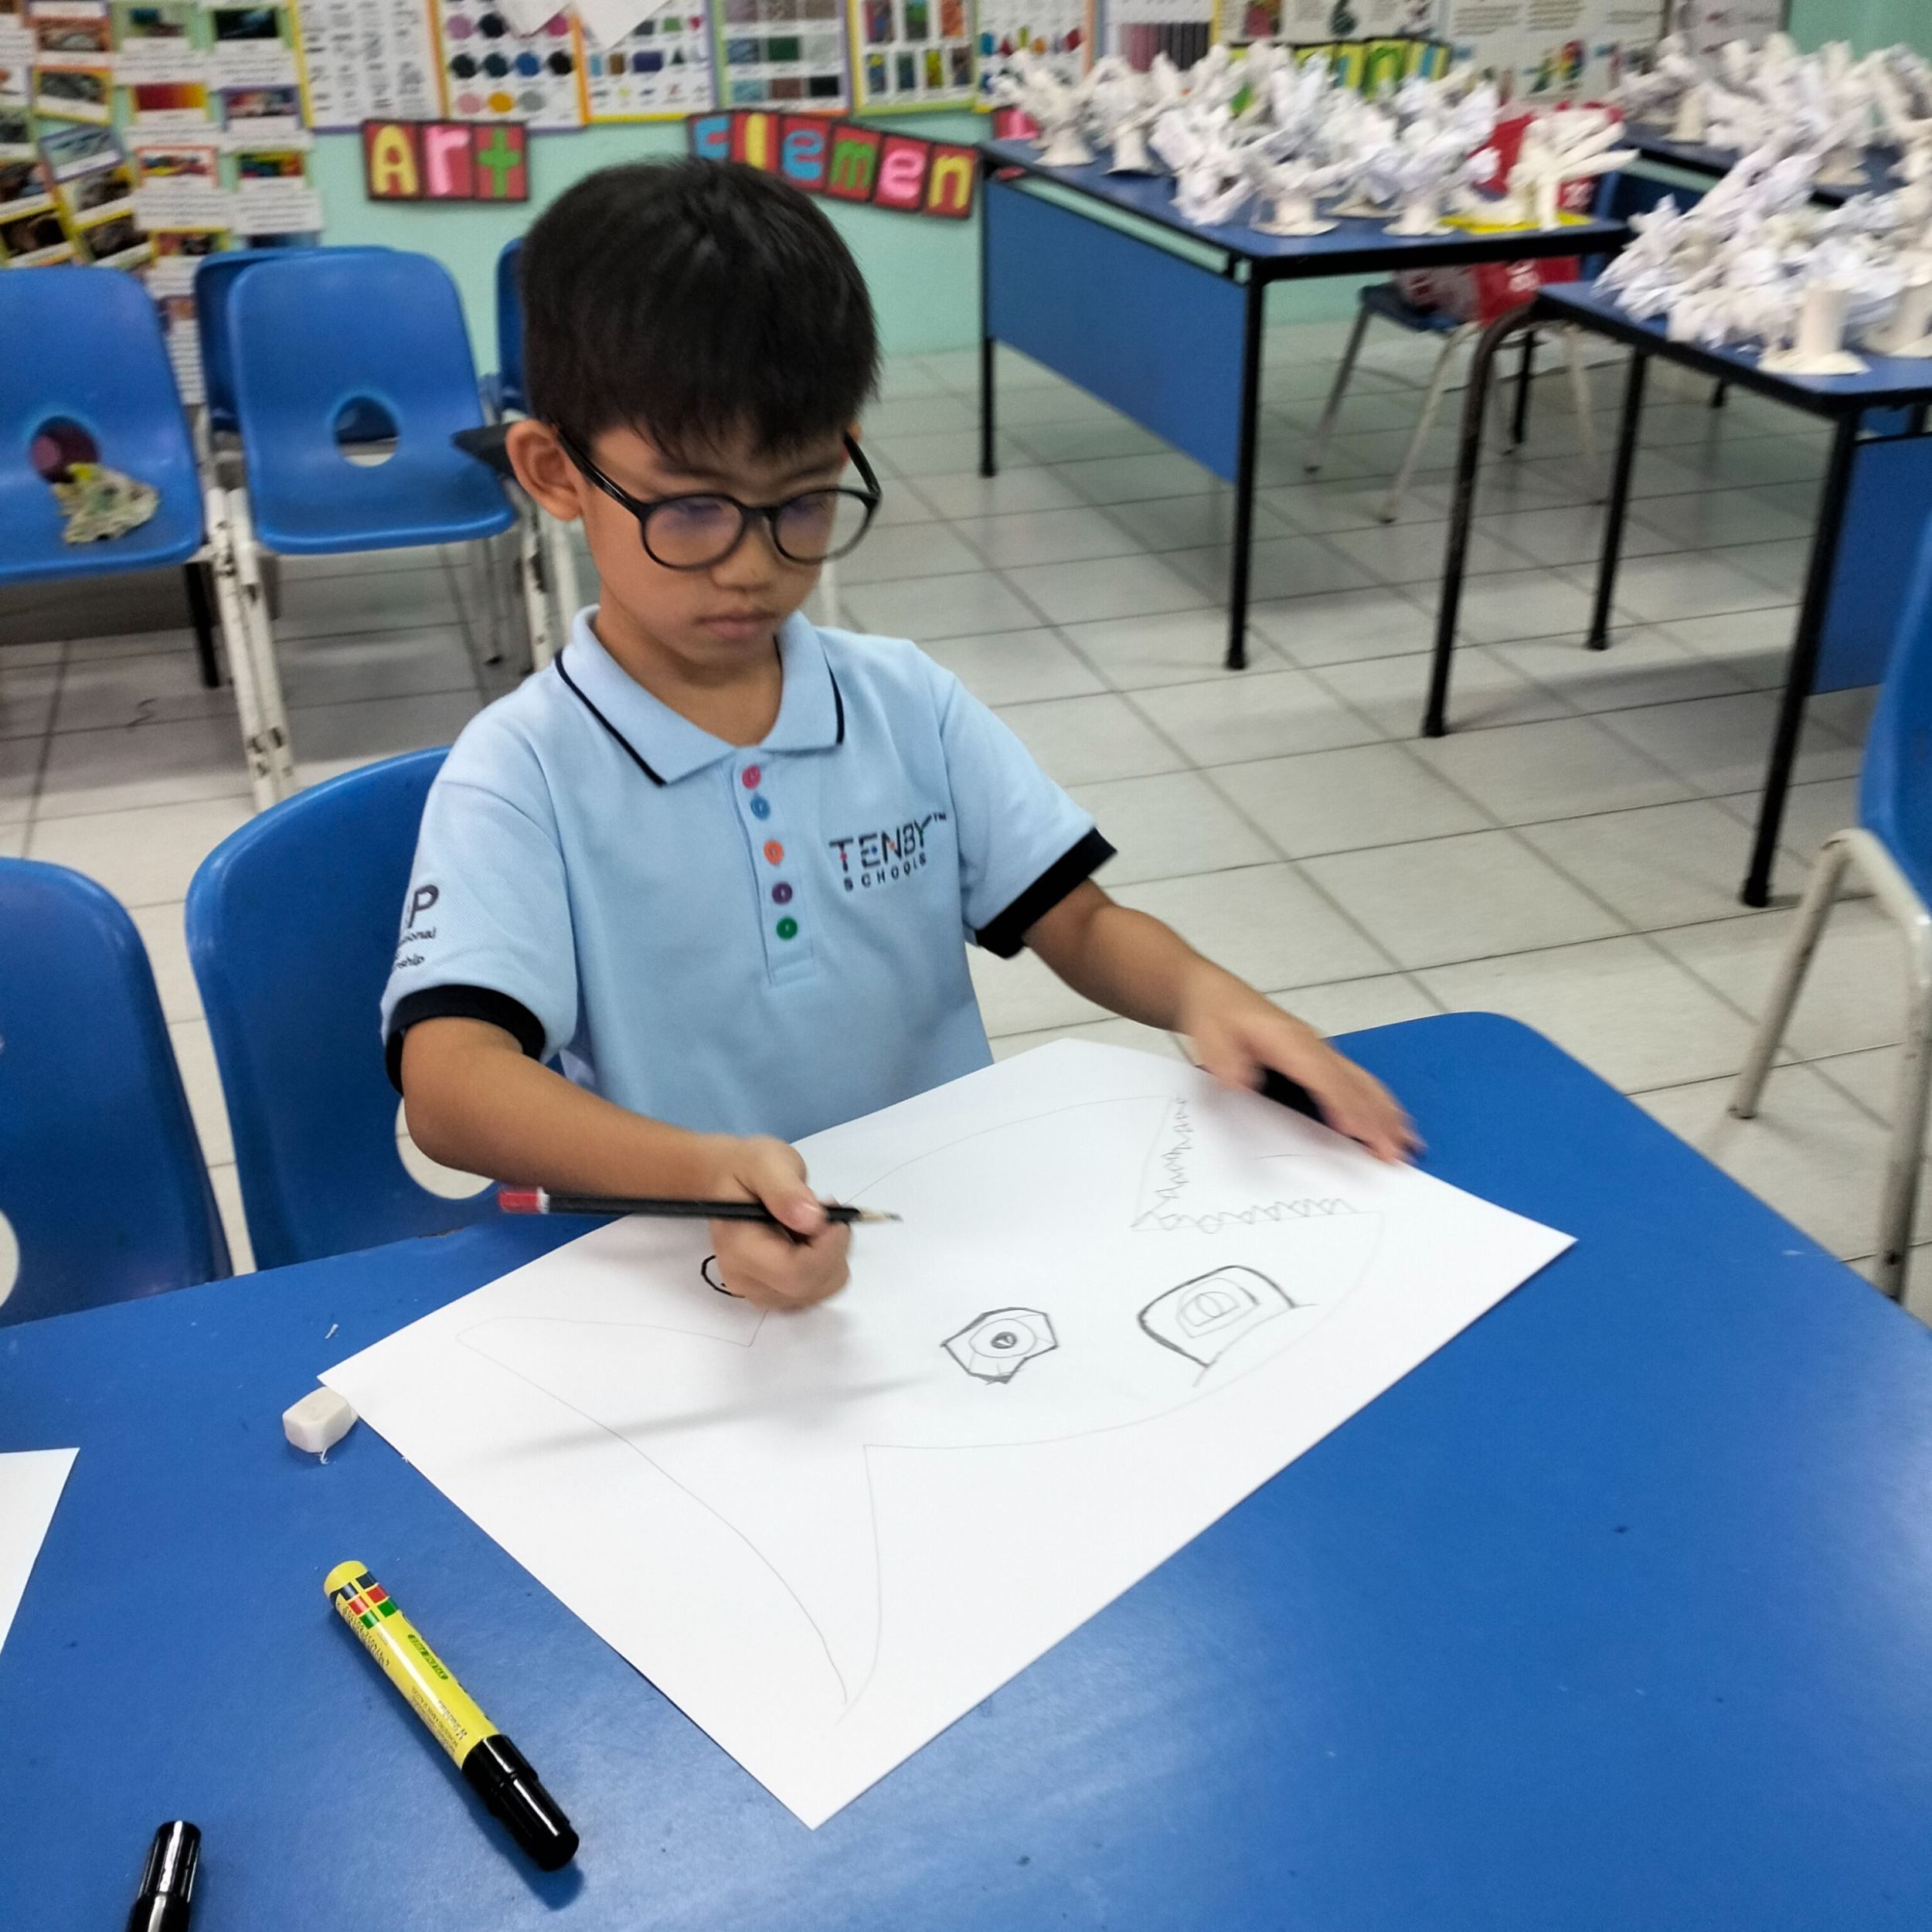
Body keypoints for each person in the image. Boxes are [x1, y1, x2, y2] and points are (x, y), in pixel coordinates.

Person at [387, 159, 1413, 1314]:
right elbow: (451, 1086)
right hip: (687, 1274)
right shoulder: (521, 772)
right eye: (691, 508)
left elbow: (1077, 920)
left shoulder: (904, 701)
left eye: (802, 502)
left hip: (950, 1242)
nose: (753, 564)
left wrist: (1206, 997)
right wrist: (700, 1176)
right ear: (556, 473)